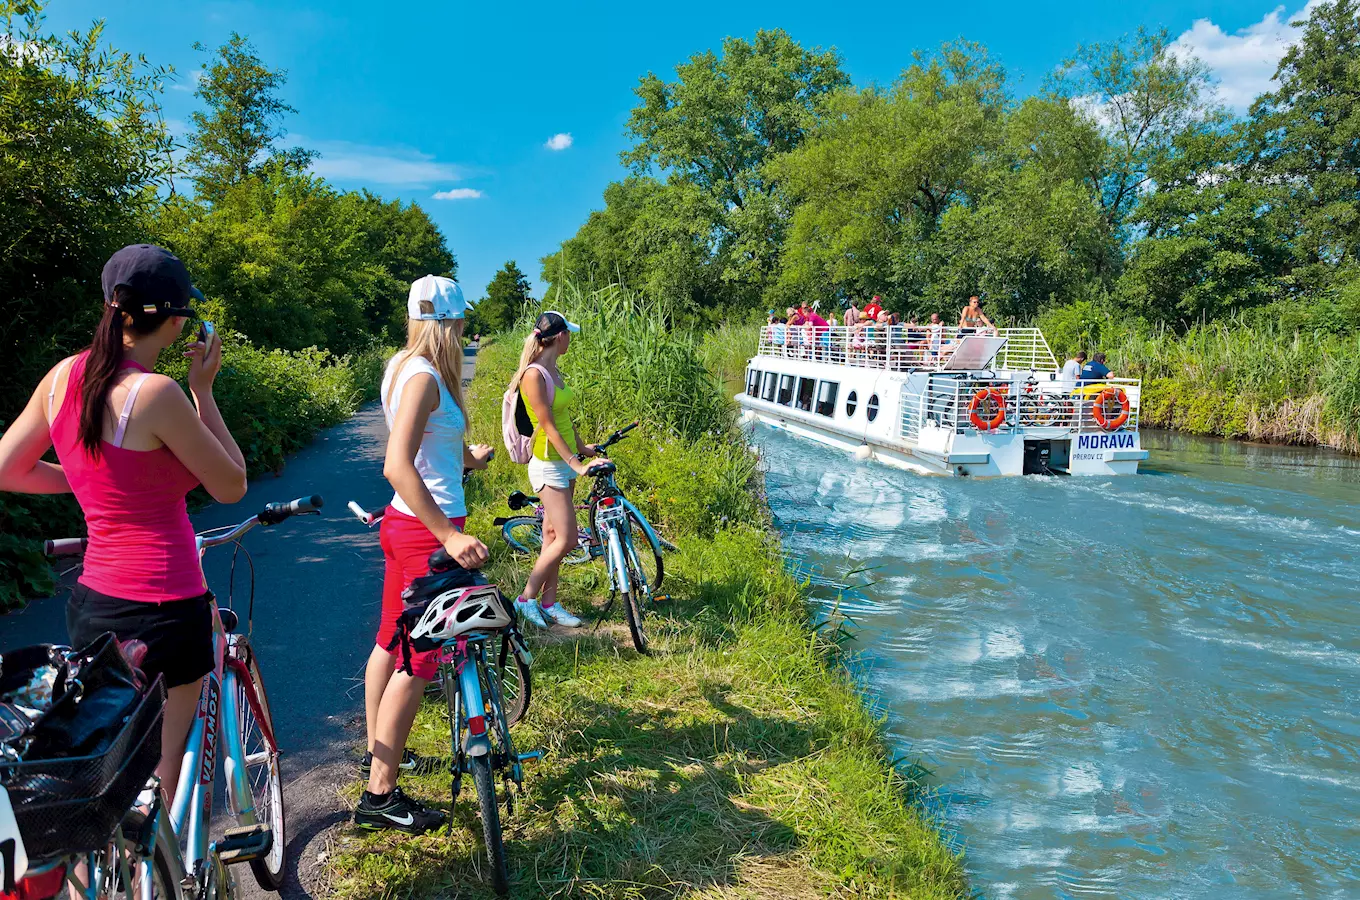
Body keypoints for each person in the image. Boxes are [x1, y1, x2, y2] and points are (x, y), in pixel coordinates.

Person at [0, 244, 247, 803]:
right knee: (157, 773)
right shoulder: (155, 394)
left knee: (106, 773)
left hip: (94, 605)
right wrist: (203, 391)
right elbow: (231, 484)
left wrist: (91, 478)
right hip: (168, 605)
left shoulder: (65, 377)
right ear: (179, 319)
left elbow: (7, 468)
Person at [356, 275, 492, 835]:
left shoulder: (402, 365)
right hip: (425, 533)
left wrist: (469, 460)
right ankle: (380, 793)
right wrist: (449, 536)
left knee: (390, 641)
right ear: (449, 323)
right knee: (421, 660)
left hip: (406, 524)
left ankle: (382, 752)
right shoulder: (425, 376)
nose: (462, 332)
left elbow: (428, 453)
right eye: (459, 323)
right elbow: (397, 463)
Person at [510, 311, 608, 629]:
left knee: (551, 535)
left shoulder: (554, 372)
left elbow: (565, 420)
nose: (571, 340)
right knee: (567, 539)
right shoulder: (534, 375)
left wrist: (583, 448)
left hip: (563, 462)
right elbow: (548, 426)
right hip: (549, 464)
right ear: (560, 336)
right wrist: (576, 465)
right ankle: (525, 599)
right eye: (570, 335)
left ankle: (550, 603)